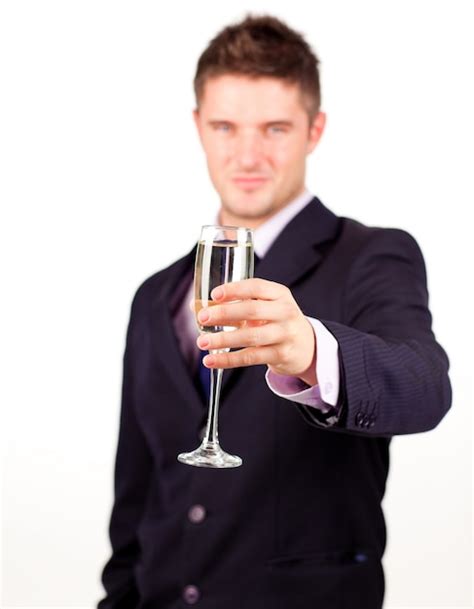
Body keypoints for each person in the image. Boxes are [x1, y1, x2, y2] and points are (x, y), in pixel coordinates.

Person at [98, 14, 451, 609]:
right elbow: (137, 493)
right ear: (198, 128)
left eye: (276, 128)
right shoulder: (154, 295)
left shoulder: (371, 255)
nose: (248, 154)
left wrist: (313, 351)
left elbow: (425, 388)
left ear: (314, 130)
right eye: (226, 126)